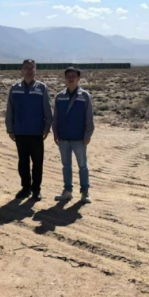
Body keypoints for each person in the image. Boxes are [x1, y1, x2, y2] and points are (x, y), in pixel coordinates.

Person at [5, 59, 52, 202]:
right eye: (26, 68)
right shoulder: (14, 88)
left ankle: (36, 190)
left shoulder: (41, 88)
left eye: (32, 68)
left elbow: (47, 109)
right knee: (23, 162)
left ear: (35, 70)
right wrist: (10, 129)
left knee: (37, 163)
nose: (29, 71)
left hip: (37, 132)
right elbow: (10, 110)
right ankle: (25, 188)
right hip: (20, 132)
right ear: (22, 70)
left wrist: (47, 128)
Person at [52, 66, 94, 204]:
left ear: (78, 78)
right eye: (68, 76)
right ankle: (67, 191)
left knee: (82, 165)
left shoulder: (85, 96)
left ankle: (85, 192)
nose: (71, 79)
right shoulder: (60, 96)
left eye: (73, 76)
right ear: (65, 79)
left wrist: (88, 135)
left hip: (79, 138)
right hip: (63, 138)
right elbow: (55, 117)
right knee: (66, 166)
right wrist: (55, 133)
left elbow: (89, 118)